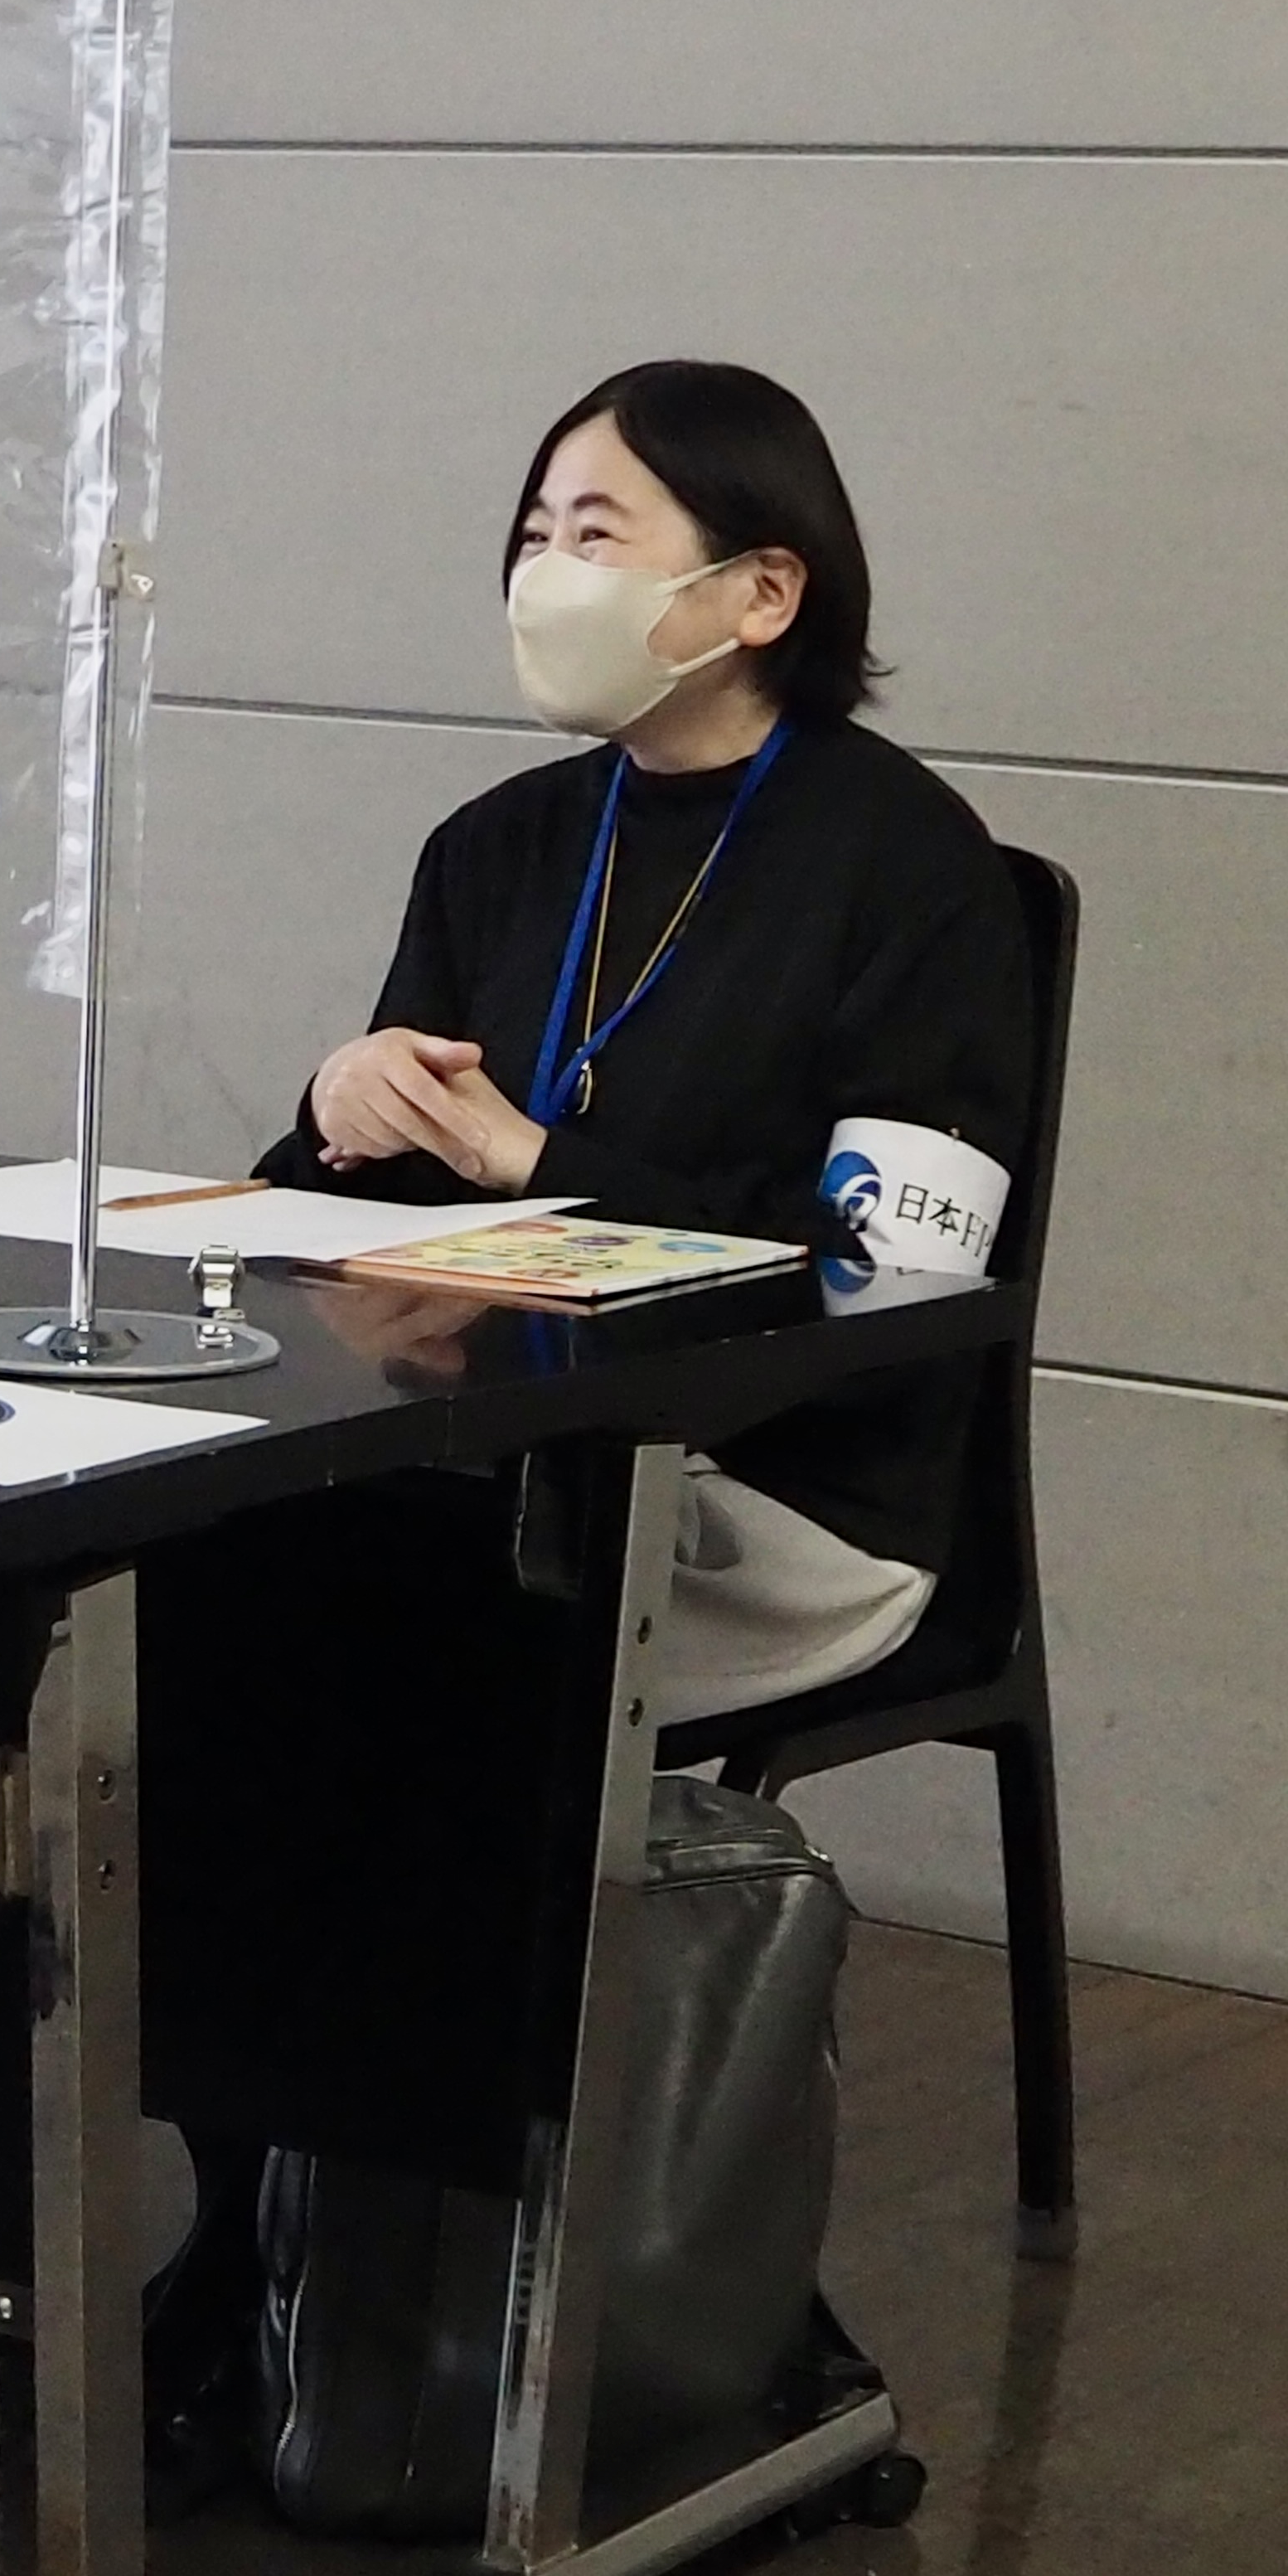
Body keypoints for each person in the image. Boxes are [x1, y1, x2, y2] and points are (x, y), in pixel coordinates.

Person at [270, 355, 1031, 1721]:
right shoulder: (496, 845)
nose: (545, 575)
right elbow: (361, 1224)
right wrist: (340, 1108)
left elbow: (886, 1287)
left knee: (336, 1651)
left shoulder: (911, 868)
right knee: (199, 1578)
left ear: (762, 591)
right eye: (533, 537)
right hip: (488, 1449)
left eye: (595, 536)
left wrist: (532, 1163)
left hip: (775, 1493)